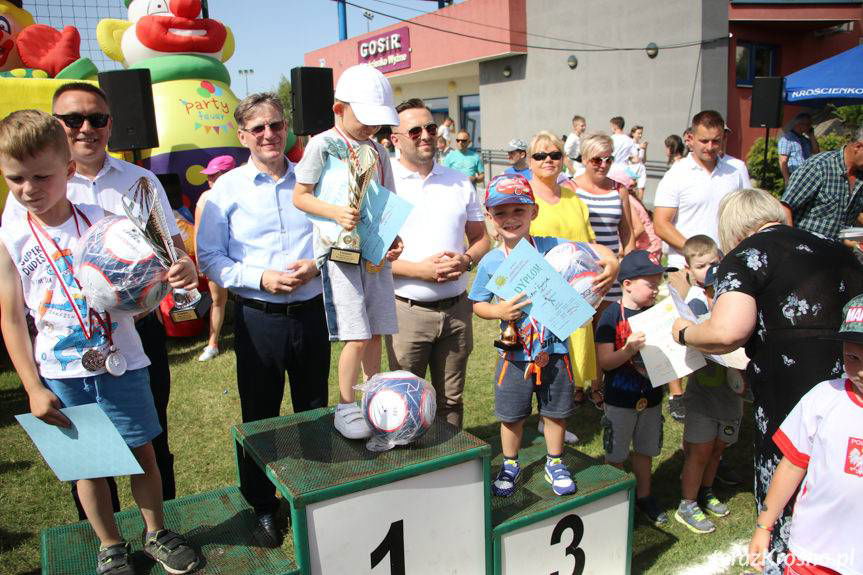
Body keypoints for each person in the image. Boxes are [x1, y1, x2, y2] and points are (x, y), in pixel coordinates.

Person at [0, 110, 200, 575]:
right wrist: (32, 386)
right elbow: (11, 319)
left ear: (69, 170)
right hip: (61, 374)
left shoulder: (108, 223)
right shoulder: (10, 237)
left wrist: (181, 270)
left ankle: (156, 533)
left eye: (42, 176)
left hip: (122, 361)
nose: (29, 189)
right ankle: (110, 544)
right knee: (88, 467)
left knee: (143, 454)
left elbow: (162, 271)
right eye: (15, 179)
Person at [670, 188, 863, 570]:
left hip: (787, 395)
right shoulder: (841, 250)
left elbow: (728, 331)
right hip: (850, 388)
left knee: (788, 487)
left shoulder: (747, 255)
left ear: (733, 231)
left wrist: (684, 332)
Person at [197, 92, 328, 546]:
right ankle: (263, 506)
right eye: (258, 128)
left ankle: (312, 496)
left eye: (276, 125)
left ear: (286, 128)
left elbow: (335, 236)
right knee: (259, 415)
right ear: (242, 136)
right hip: (259, 318)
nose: (269, 134)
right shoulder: (225, 190)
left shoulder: (312, 182)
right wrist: (260, 278)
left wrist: (316, 264)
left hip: (311, 313)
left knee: (314, 409)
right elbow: (209, 257)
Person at [470, 174, 618, 498]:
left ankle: (555, 462)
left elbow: (598, 250)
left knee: (556, 412)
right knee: (511, 415)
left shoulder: (551, 246)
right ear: (490, 217)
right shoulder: (492, 261)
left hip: (555, 350)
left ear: (533, 212)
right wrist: (498, 311)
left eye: (518, 211)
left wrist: (612, 263)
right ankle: (510, 463)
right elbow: (478, 304)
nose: (510, 219)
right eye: (501, 212)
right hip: (514, 353)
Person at [292, 64, 402, 440]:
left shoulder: (379, 151)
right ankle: (345, 404)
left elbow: (387, 201)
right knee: (355, 333)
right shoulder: (321, 145)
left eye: (377, 120)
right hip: (339, 252)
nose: (371, 127)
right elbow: (300, 196)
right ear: (339, 108)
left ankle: (374, 395)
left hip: (374, 253)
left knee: (376, 330)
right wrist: (335, 212)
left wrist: (393, 237)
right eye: (365, 118)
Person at [386, 98, 489, 428]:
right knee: (405, 402)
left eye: (430, 127)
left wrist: (466, 260)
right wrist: (421, 271)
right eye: (414, 130)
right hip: (407, 312)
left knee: (451, 402)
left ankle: (451, 458)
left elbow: (482, 238)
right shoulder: (384, 183)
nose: (426, 135)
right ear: (395, 138)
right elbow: (372, 258)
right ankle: (409, 459)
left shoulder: (458, 181)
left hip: (457, 311)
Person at [748, 294, 863, 575]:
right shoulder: (824, 398)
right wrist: (764, 526)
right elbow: (792, 464)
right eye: (852, 357)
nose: (860, 370)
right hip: (813, 551)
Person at [653, 110, 749, 419]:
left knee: (723, 325)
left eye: (716, 141)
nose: (710, 147)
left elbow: (744, 215)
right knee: (679, 327)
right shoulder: (677, 173)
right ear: (690, 139)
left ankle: (727, 383)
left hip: (727, 266)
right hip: (684, 267)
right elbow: (661, 223)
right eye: (704, 141)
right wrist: (695, 255)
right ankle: (677, 393)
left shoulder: (737, 168)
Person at [526, 130, 615, 428]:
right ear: (529, 160)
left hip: (577, 294)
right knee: (544, 356)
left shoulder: (573, 198)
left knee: (568, 360)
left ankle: (552, 419)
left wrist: (608, 264)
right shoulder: (524, 195)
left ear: (563, 159)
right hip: (541, 293)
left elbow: (589, 242)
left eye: (555, 154)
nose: (548, 160)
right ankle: (545, 419)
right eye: (540, 155)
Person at [595, 250, 675, 525]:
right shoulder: (610, 315)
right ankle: (613, 499)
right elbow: (605, 362)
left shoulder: (656, 314)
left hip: (650, 397)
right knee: (616, 453)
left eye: (658, 283)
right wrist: (628, 350)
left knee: (645, 450)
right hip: (619, 398)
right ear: (627, 284)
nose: (656, 289)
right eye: (650, 284)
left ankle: (644, 496)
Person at [674, 238, 741, 535]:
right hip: (702, 396)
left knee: (716, 450)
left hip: (731, 396)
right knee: (699, 452)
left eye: (714, 263)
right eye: (702, 266)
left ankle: (706, 490)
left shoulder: (736, 307)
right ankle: (687, 503)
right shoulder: (696, 308)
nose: (710, 270)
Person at [574, 133, 636, 306]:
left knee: (608, 322)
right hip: (579, 274)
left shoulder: (619, 190)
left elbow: (627, 233)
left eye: (609, 160)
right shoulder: (570, 188)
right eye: (597, 160)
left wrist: (630, 270)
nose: (603, 165)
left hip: (611, 275)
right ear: (584, 159)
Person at [780, 127, 863, 240]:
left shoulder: (860, 176)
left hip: (838, 249)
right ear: (858, 147)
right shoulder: (819, 166)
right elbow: (785, 206)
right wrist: (790, 242)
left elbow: (856, 215)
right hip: (805, 246)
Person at [194, 154, 236, 362]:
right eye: (208, 175)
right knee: (218, 300)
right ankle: (213, 344)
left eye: (214, 175)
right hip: (218, 257)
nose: (209, 179)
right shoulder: (205, 198)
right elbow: (198, 231)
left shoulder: (244, 192)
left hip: (243, 256)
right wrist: (200, 261)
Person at [777, 112, 820, 185]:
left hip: (806, 176)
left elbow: (816, 152)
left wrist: (812, 136)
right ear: (799, 124)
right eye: (808, 124)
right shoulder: (787, 139)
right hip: (794, 175)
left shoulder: (805, 140)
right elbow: (782, 161)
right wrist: (787, 179)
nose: (810, 127)